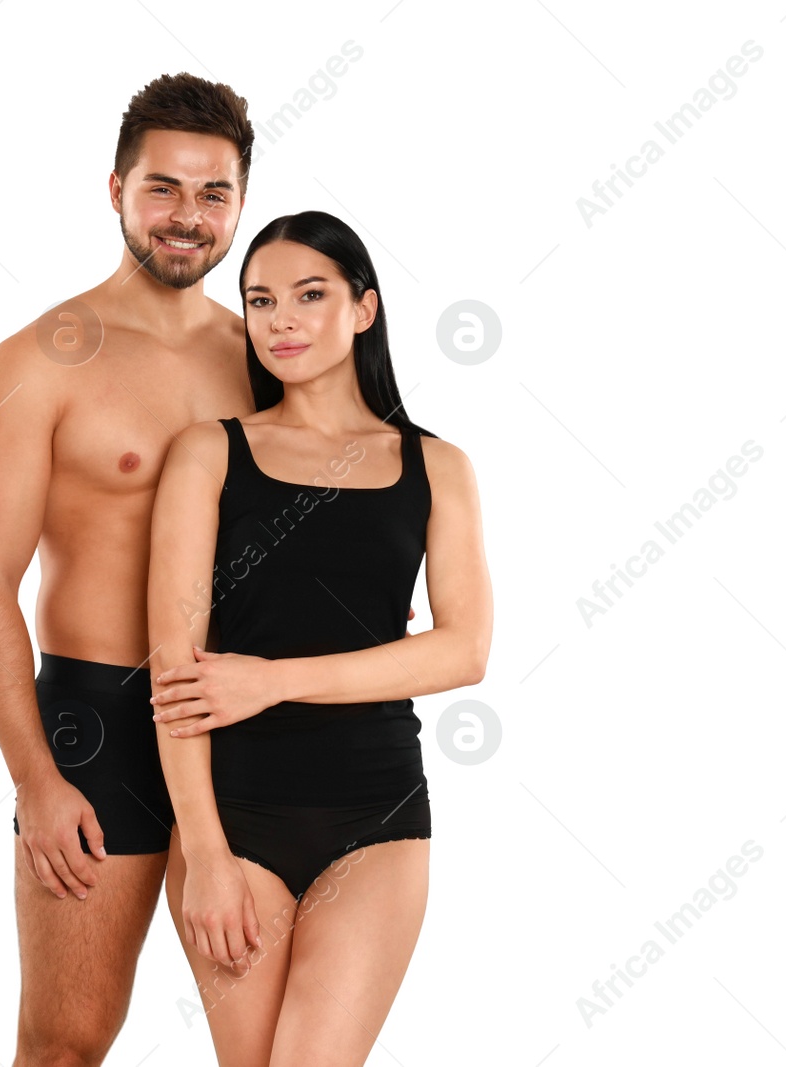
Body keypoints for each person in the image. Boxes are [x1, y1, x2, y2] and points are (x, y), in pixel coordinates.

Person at [0, 73, 258, 1067]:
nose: (187, 216)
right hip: (97, 722)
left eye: (212, 194)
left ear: (240, 204)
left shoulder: (269, 356)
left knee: (272, 1041)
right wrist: (34, 776)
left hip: (246, 712)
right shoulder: (38, 361)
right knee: (67, 1037)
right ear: (115, 188)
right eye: (162, 188)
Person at [145, 210, 494, 1066]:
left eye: (310, 295)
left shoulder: (435, 466)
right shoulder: (209, 454)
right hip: (234, 814)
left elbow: (464, 650)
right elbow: (174, 673)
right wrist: (204, 852)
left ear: (364, 308)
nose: (282, 320)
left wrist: (271, 679)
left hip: (375, 810)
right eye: (260, 301)